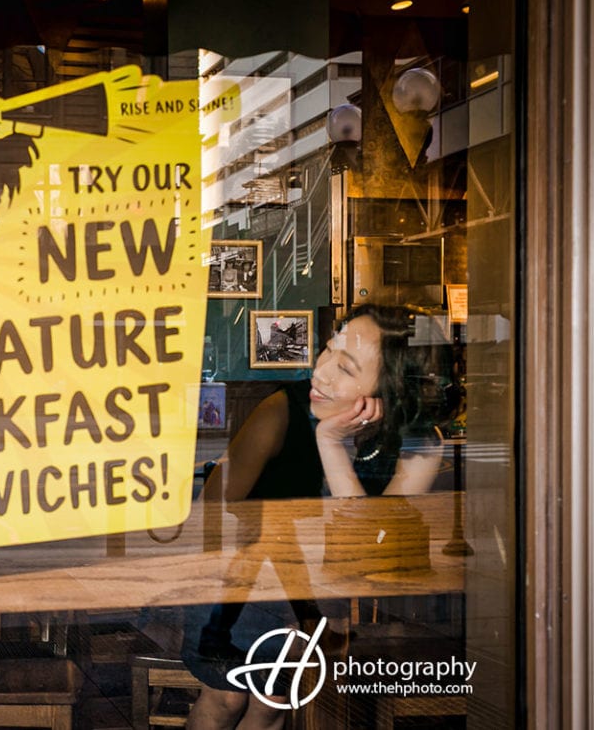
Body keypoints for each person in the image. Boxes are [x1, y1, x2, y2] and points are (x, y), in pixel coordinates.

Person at [185, 304, 457, 730]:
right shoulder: (281, 411)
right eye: (327, 351)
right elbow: (212, 512)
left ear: (392, 387)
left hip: (325, 597)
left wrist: (330, 445)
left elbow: (367, 555)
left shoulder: (419, 442)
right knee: (226, 699)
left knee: (272, 703)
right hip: (245, 582)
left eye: (345, 368)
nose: (321, 372)